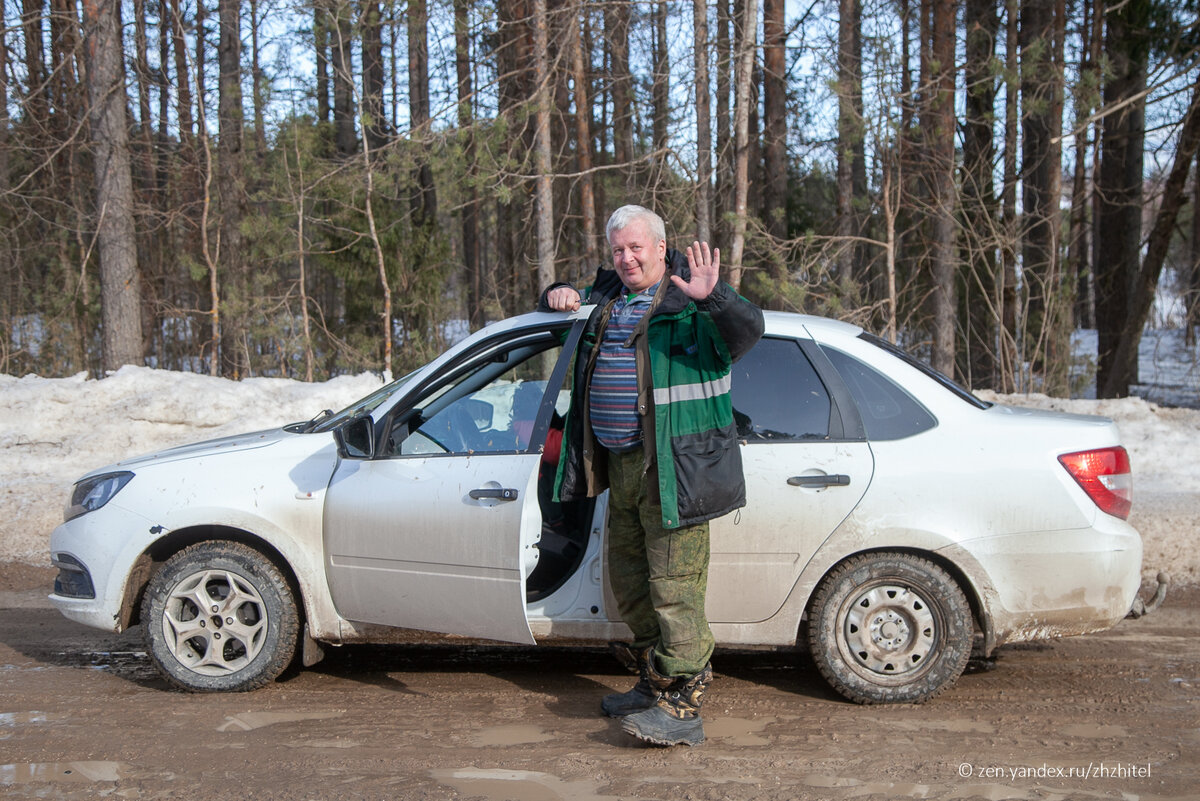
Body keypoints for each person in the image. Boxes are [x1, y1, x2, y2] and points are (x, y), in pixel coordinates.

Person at [539, 205, 764, 746]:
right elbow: (559, 315)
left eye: (636, 247)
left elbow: (746, 332)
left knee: (674, 586)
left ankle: (685, 706)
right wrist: (556, 290)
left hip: (675, 470)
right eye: (618, 249)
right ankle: (654, 679)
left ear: (662, 248)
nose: (627, 257)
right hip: (622, 467)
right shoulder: (608, 296)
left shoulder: (689, 302)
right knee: (630, 580)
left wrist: (715, 297)